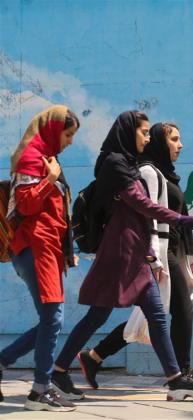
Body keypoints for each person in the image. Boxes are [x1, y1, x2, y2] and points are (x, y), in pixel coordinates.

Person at [50, 111, 193, 402]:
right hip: (120, 253)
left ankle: (176, 380)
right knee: (96, 317)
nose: (148, 139)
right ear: (128, 132)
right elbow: (140, 204)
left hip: (134, 250)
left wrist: (151, 255)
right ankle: (59, 372)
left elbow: (134, 216)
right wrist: (180, 219)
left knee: (156, 317)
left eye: (150, 133)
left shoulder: (125, 163)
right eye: (144, 132)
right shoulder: (115, 164)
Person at [0, 105, 79, 412]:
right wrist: (50, 180)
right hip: (36, 247)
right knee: (53, 318)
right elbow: (25, 204)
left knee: (50, 319)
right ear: (53, 129)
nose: (70, 141)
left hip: (46, 249)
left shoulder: (47, 157)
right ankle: (40, 390)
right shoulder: (30, 158)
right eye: (68, 134)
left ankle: (7, 363)